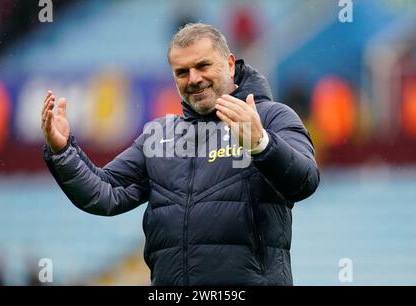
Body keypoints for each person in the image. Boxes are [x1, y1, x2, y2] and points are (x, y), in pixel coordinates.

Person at [41, 23, 320, 286]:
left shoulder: (271, 117)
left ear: (230, 64)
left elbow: (304, 182)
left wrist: (262, 144)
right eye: (182, 72)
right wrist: (62, 150)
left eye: (202, 66)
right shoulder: (159, 134)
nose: (194, 79)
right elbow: (105, 193)